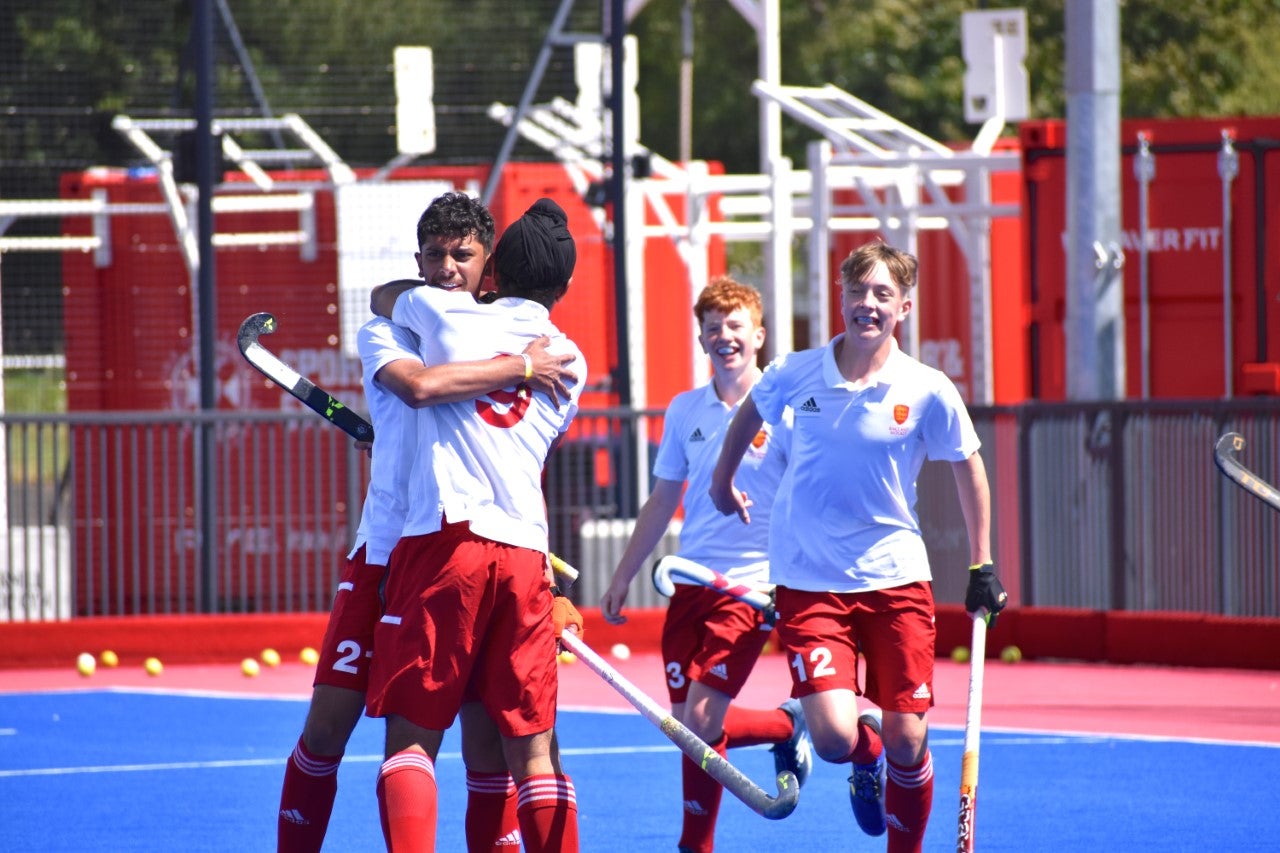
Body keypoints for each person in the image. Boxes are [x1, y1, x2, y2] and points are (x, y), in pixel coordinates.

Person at [276, 191, 578, 853]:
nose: (446, 267)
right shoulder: (387, 328)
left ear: (487, 266)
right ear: (419, 258)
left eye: (461, 255)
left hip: (454, 546)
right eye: (435, 254)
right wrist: (518, 365)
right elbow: (417, 384)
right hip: (387, 547)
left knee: (483, 744)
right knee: (328, 724)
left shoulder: (472, 323)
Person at [708, 241, 1007, 853]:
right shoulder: (797, 370)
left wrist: (982, 564)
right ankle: (861, 761)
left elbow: (969, 469)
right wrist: (721, 479)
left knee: (908, 737)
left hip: (895, 578)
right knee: (834, 738)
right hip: (810, 581)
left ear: (904, 307)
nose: (866, 305)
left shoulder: (926, 388)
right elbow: (750, 415)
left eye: (882, 295)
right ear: (839, 297)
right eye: (856, 292)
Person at [365, 197, 587, 853]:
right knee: (534, 750)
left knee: (411, 741)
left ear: (494, 271)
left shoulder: (442, 314)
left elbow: (384, 298)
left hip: (446, 539)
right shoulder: (569, 357)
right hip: (524, 551)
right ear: (564, 287)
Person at [599, 276, 812, 853]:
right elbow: (664, 498)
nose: (725, 338)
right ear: (702, 339)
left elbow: (810, 493)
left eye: (736, 327)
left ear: (759, 335)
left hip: (752, 587)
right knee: (685, 728)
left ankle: (695, 845)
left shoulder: (786, 410)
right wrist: (621, 575)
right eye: (713, 329)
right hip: (691, 584)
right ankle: (786, 726)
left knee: (699, 720)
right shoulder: (685, 409)